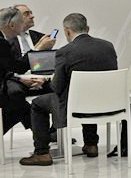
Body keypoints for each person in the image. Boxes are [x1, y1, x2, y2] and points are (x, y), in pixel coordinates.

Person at [20, 12, 119, 166]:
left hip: (75, 106)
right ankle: (91, 144)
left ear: (67, 31)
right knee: (87, 94)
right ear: (87, 28)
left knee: (38, 104)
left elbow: (57, 87)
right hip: (106, 104)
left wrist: (45, 82)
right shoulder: (108, 46)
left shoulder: (65, 52)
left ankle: (42, 153)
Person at [2, 6, 46, 134]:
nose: (22, 28)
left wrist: (19, 79)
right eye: (21, 22)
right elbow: (16, 67)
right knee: (18, 102)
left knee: (23, 105)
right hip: (8, 85)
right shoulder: (4, 42)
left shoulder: (38, 36)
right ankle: (44, 135)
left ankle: (46, 135)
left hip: (26, 78)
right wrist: (37, 50)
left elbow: (6, 69)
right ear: (12, 24)